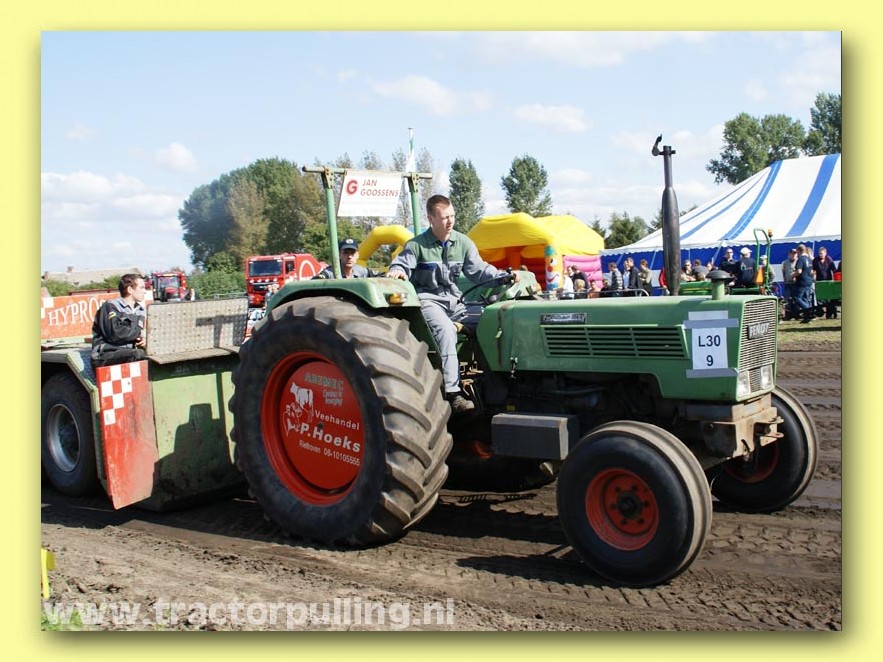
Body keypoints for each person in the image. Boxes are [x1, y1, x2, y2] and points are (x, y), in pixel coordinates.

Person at [386, 195, 518, 413]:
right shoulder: (417, 246)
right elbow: (401, 265)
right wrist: (398, 271)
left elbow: (479, 271)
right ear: (431, 219)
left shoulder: (463, 242)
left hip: (456, 302)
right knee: (446, 330)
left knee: (491, 321)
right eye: (445, 217)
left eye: (452, 216)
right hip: (428, 301)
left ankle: (497, 384)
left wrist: (502, 276)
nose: (450, 221)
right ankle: (453, 392)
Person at [91, 273, 148, 367]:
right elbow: (115, 333)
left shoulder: (141, 311)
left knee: (149, 355)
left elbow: (140, 332)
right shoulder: (110, 307)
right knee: (138, 354)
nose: (145, 291)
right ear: (130, 290)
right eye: (142, 288)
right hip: (106, 353)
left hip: (128, 352)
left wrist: (144, 339)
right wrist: (140, 333)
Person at [812, 245, 837, 318]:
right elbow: (813, 271)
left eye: (822, 253)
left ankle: (831, 313)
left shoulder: (829, 259)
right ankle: (821, 312)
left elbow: (834, 270)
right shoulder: (815, 260)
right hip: (820, 282)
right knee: (821, 299)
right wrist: (814, 278)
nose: (821, 255)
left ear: (825, 253)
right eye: (819, 253)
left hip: (828, 281)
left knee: (830, 298)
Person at [792, 244, 815, 323]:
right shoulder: (809, 259)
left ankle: (809, 310)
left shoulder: (801, 259)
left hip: (802, 281)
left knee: (797, 298)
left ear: (799, 251)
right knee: (805, 298)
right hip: (809, 281)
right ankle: (807, 317)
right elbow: (812, 271)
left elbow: (799, 271)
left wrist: (793, 275)